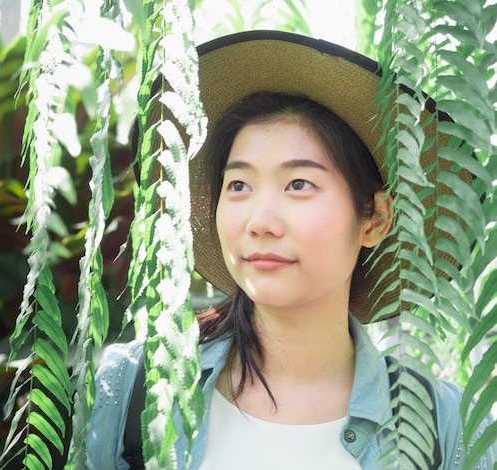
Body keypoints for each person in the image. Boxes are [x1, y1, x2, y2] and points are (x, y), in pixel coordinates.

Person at [86, 30, 497, 469]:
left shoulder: (443, 426)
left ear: (376, 219)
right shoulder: (135, 387)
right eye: (239, 184)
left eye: (299, 184)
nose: (261, 222)